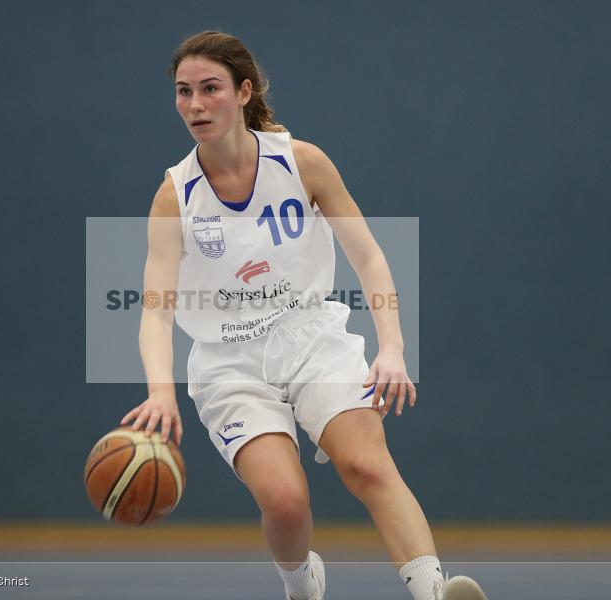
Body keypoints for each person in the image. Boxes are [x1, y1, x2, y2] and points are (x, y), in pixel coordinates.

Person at [120, 30, 487, 600]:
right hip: (229, 362)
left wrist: (391, 346)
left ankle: (434, 591)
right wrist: (161, 391)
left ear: (244, 92)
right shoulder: (176, 196)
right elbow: (155, 313)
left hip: (312, 336)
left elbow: (368, 254)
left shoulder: (301, 162)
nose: (194, 105)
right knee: (286, 504)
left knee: (366, 464)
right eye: (183, 92)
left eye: (210, 89)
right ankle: (301, 582)